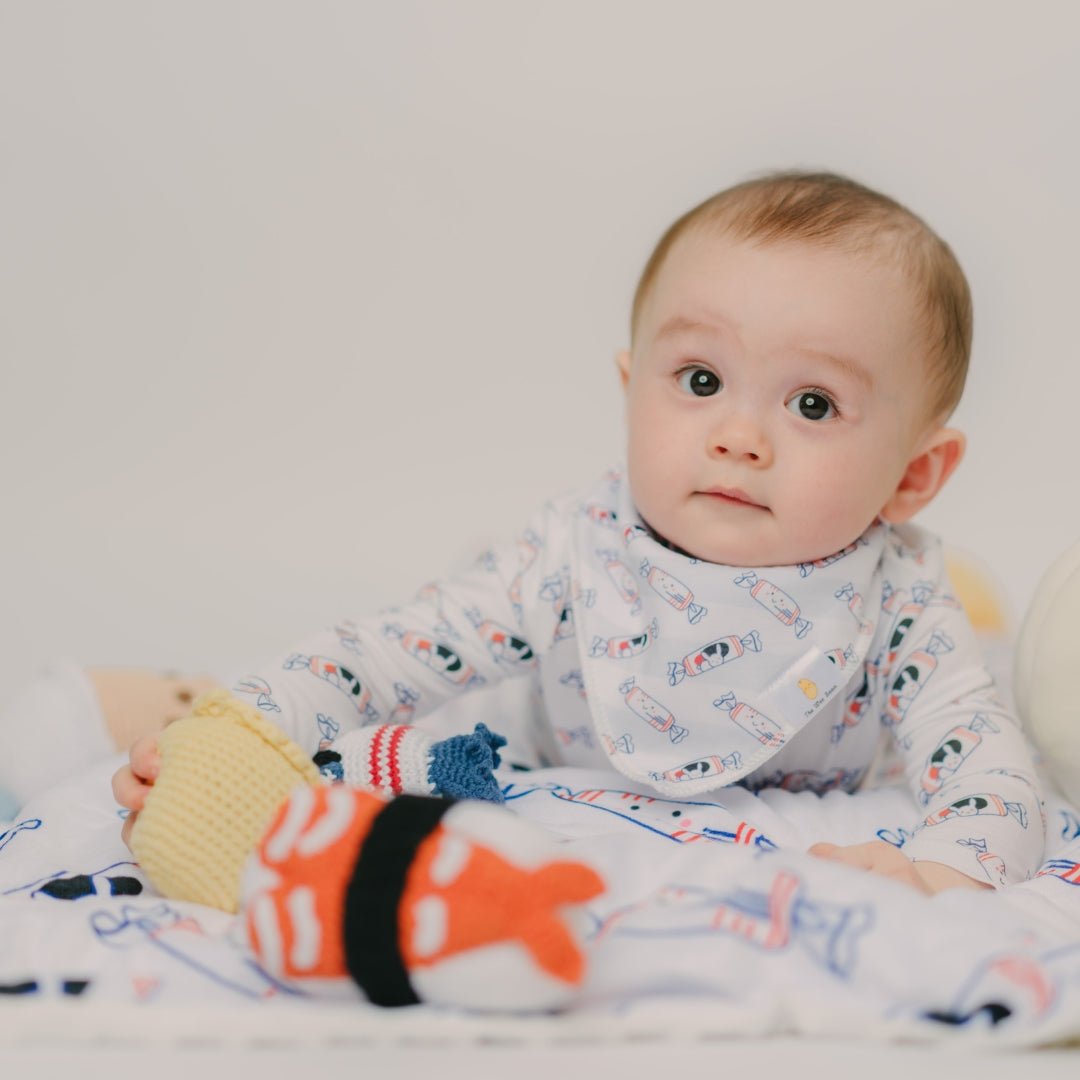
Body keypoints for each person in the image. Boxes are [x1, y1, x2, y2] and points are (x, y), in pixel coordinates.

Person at [105, 170, 1042, 897]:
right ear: (631, 386)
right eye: (701, 380)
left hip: (829, 770)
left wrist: (944, 874)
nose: (738, 436)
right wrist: (252, 727)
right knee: (421, 710)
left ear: (915, 475)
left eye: (812, 402)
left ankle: (996, 607)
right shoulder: (569, 557)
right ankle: (168, 699)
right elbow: (382, 655)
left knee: (994, 668)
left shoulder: (903, 601)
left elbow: (990, 768)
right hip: (530, 724)